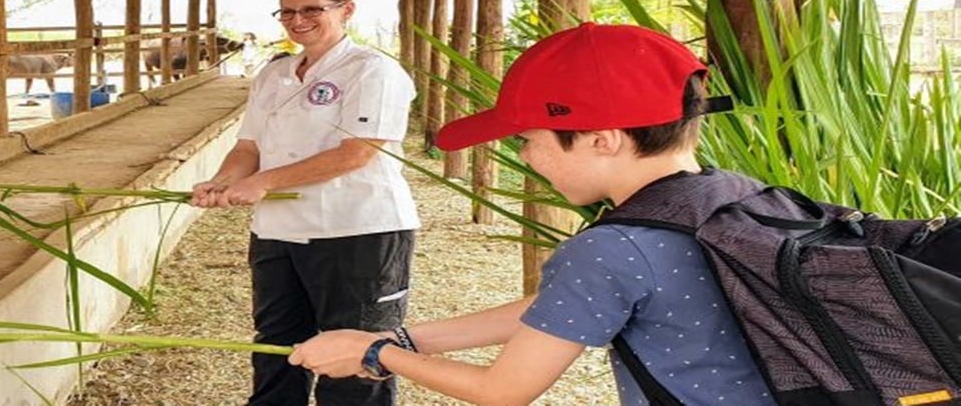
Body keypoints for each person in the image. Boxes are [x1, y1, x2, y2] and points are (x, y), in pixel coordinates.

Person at [284, 23, 776, 405]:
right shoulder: (735, 195)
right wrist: (400, 338)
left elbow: (502, 390)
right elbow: (561, 306)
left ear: (602, 139)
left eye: (527, 140)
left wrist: (374, 355)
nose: (523, 157)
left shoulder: (613, 247)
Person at [188, 0, 420, 406]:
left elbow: (356, 153)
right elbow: (248, 146)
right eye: (288, 12)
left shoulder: (372, 70)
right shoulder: (274, 74)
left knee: (357, 351)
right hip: (278, 231)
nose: (298, 20)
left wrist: (263, 182)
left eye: (312, 9)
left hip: (357, 230)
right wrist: (222, 182)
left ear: (345, 10)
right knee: (277, 343)